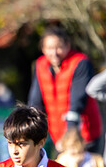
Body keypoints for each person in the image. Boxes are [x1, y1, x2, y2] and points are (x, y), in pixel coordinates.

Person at [28, 25, 102, 155]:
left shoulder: (80, 63)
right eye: (50, 48)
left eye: (59, 47)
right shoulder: (41, 65)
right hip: (58, 135)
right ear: (43, 49)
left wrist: (69, 139)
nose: (54, 52)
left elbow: (77, 102)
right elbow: (35, 101)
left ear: (68, 45)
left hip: (84, 135)